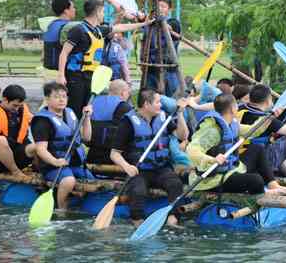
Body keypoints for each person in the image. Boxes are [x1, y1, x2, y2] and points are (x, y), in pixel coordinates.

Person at [185, 93, 286, 197]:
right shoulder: (212, 130)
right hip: (212, 180)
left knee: (257, 149)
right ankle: (264, 194)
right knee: (256, 180)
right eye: (236, 105)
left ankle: (273, 185)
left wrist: (269, 118)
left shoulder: (231, 123)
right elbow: (191, 150)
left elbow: (253, 130)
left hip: (231, 170)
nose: (238, 107)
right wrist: (212, 159)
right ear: (233, 109)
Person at [57, 0, 150, 117]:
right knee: (75, 109)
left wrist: (143, 24)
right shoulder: (78, 30)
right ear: (97, 12)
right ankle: (72, 133)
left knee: (88, 109)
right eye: (103, 12)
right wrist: (61, 75)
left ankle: (85, 134)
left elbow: (120, 27)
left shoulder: (98, 30)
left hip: (91, 77)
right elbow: (64, 53)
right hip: (76, 77)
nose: (103, 15)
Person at [109, 88, 189, 226]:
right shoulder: (128, 122)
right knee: (138, 192)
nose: (161, 105)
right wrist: (127, 167)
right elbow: (114, 154)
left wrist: (180, 114)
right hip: (139, 170)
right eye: (157, 102)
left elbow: (183, 136)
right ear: (146, 104)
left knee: (175, 184)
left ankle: (172, 220)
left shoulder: (163, 118)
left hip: (161, 168)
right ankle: (138, 222)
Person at [31, 82, 93, 211]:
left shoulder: (69, 113)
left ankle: (76, 197)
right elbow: (41, 149)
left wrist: (87, 118)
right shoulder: (42, 121)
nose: (61, 100)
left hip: (74, 163)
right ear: (47, 99)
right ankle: (61, 209)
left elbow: (86, 138)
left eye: (64, 96)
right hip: (52, 166)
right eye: (57, 97)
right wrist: (55, 161)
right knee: (69, 181)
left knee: (92, 181)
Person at [87, 79, 133, 165]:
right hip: (113, 156)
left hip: (92, 153)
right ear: (123, 93)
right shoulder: (124, 107)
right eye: (128, 92)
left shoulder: (93, 102)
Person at [145, 0, 183, 97]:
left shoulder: (173, 22)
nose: (160, 8)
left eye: (163, 6)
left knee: (172, 98)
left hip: (168, 69)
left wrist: (160, 20)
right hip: (151, 68)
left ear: (169, 10)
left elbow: (168, 27)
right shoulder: (151, 25)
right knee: (150, 97)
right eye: (158, 6)